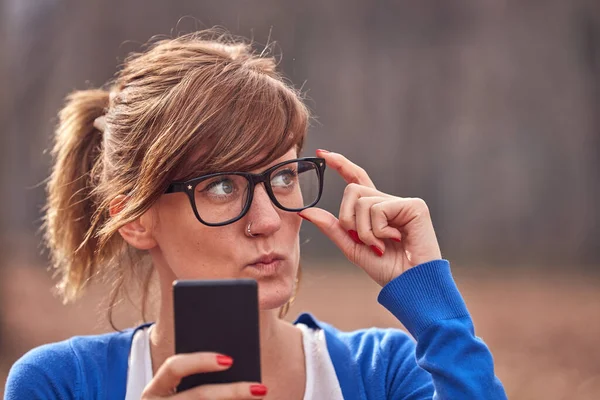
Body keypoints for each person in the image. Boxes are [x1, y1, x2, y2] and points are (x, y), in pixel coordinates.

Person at [4, 31, 507, 400]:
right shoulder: (60, 385)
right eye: (222, 186)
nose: (267, 220)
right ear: (135, 220)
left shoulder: (384, 375)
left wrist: (429, 300)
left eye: (284, 177)